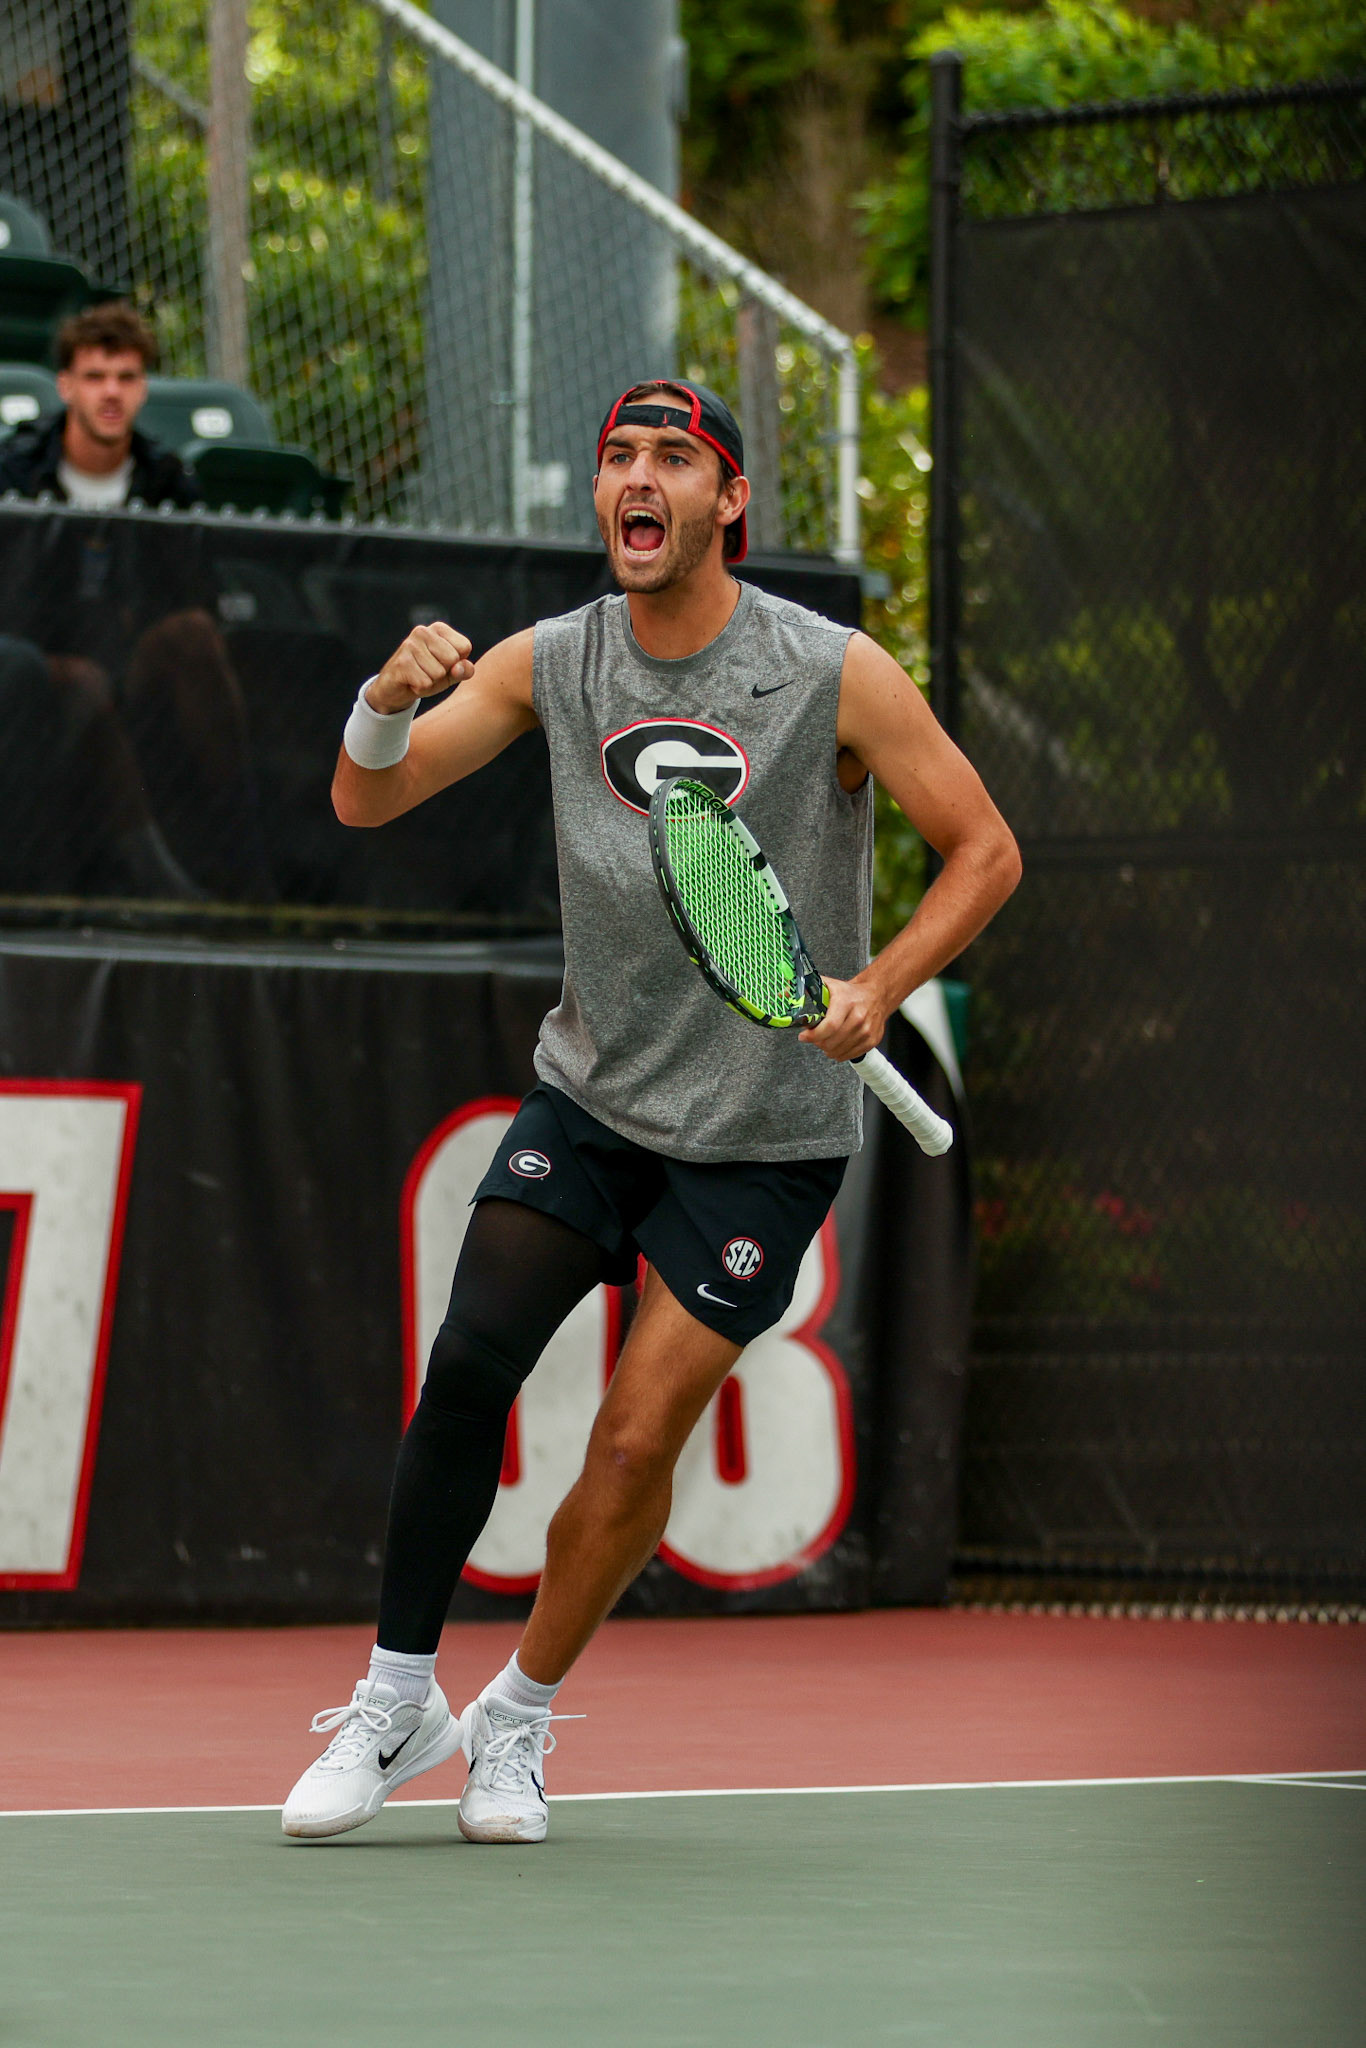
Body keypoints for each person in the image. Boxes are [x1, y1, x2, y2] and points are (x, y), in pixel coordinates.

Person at [282, 379, 1021, 1847]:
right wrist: (380, 702)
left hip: (761, 1145)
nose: (637, 476)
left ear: (727, 501)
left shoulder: (831, 673)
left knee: (627, 1451)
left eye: (671, 457)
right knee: (469, 1364)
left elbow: (983, 851)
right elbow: (369, 802)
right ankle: (394, 1698)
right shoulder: (557, 660)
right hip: (594, 1097)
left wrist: (880, 984)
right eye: (619, 453)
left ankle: (518, 1723)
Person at [0, 300, 200, 509]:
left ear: (143, 389)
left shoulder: (171, 482)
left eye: (126, 377)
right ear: (65, 386)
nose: (112, 392)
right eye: (94, 377)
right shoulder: (12, 473)